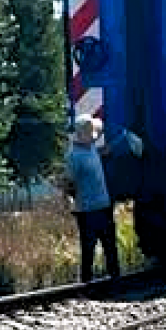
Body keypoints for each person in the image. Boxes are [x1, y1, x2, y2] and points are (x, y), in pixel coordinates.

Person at [65, 116, 143, 281]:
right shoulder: (74, 157)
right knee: (89, 248)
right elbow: (70, 183)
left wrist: (121, 138)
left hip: (103, 206)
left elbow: (104, 150)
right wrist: (74, 199)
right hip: (86, 209)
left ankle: (114, 279)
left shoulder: (91, 148)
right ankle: (87, 281)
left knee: (109, 246)